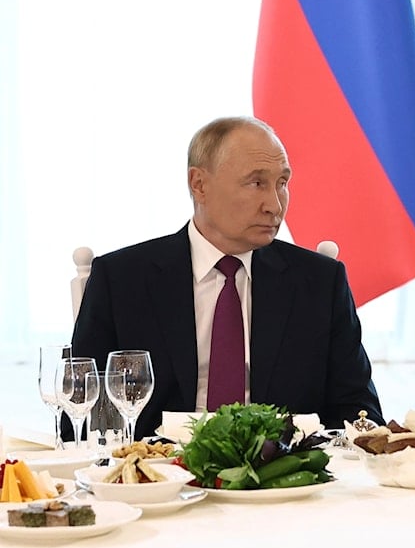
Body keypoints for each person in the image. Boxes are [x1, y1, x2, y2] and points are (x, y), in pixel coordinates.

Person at [72, 117, 384, 439]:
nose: (274, 205)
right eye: (257, 183)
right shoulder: (122, 280)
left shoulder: (319, 283)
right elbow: (81, 415)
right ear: (199, 185)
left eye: (282, 183)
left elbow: (359, 412)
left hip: (280, 480)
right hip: (160, 476)